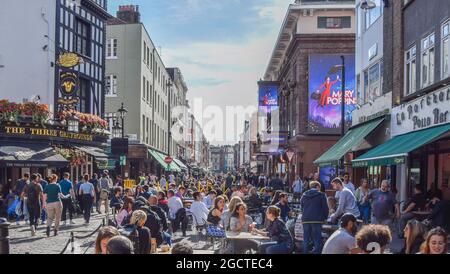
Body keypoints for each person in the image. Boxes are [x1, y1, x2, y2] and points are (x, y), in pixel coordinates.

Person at [300, 181, 329, 254]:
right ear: (317, 187)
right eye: (320, 187)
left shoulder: (304, 195)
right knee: (317, 239)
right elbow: (325, 208)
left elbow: (302, 207)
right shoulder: (321, 195)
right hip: (317, 220)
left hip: (305, 219)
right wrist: (325, 217)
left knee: (306, 238)